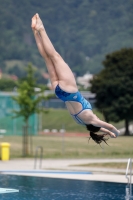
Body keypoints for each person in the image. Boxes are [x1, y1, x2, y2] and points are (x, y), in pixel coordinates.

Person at [31, 13, 120, 144]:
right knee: (47, 59)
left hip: (70, 90)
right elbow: (97, 128)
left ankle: (41, 29)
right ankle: (35, 31)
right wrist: (108, 133)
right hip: (59, 92)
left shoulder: (92, 119)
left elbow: (109, 126)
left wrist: (115, 133)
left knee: (55, 57)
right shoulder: (82, 122)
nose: (97, 117)